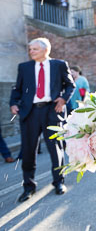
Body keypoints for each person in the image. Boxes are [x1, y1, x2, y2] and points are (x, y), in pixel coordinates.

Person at [9, 37, 75, 202]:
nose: (31, 52)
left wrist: (63, 99)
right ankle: (28, 187)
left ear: (46, 50)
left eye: (34, 49)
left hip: (52, 111)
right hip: (29, 112)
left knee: (55, 149)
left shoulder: (59, 65)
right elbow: (17, 89)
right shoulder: (24, 67)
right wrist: (13, 103)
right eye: (30, 49)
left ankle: (59, 182)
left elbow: (70, 85)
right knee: (28, 150)